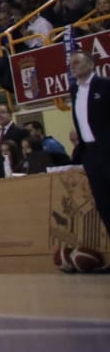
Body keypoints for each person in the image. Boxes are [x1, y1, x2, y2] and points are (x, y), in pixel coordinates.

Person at [72, 49, 109, 231]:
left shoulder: (104, 85)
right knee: (103, 202)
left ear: (91, 64)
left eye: (77, 62)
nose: (73, 66)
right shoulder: (74, 90)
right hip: (90, 153)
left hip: (107, 149)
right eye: (71, 64)